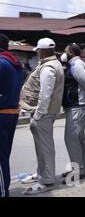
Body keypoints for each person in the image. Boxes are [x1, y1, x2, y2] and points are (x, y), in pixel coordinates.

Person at [21, 38, 64, 195]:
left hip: (44, 113)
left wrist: (38, 114)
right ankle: (42, 174)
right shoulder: (51, 64)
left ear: (42, 51)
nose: (37, 52)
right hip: (45, 113)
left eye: (38, 50)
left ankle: (47, 181)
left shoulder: (48, 68)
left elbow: (45, 94)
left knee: (44, 147)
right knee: (43, 147)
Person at [61, 43, 85, 182]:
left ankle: (78, 171)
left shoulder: (76, 65)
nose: (64, 53)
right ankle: (80, 168)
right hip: (77, 105)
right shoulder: (74, 64)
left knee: (72, 138)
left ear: (71, 52)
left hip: (78, 104)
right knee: (78, 138)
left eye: (66, 50)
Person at [0, 33, 24, 197]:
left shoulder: (1, 63)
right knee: (3, 155)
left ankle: (3, 191)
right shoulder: (16, 64)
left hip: (1, 113)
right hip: (11, 113)